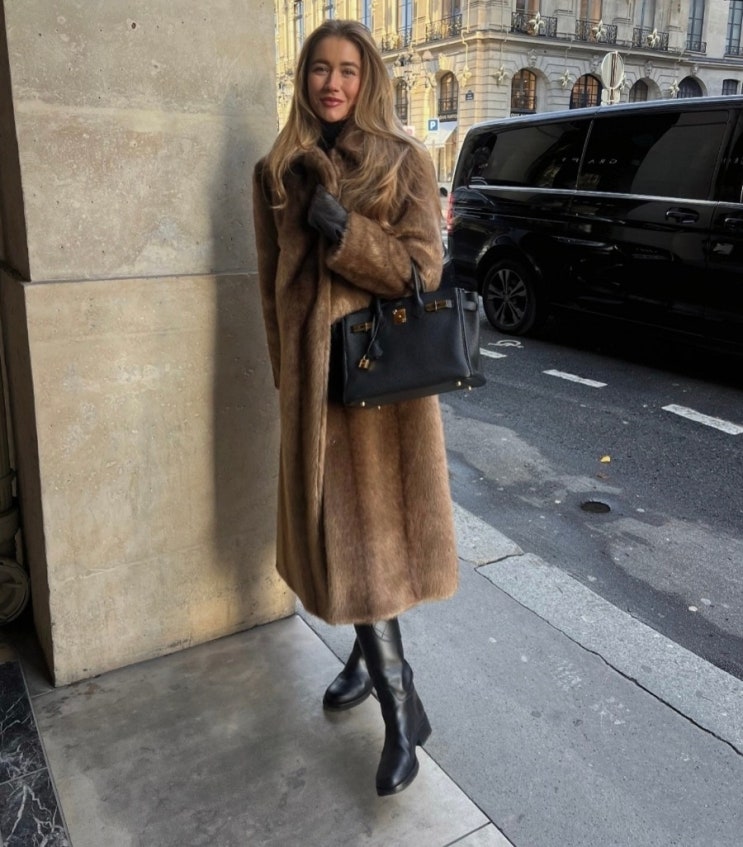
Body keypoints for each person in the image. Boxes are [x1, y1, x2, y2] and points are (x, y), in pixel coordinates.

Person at [252, 19, 458, 796]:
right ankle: (364, 664)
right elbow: (269, 291)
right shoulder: (275, 172)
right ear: (303, 79)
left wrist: (349, 235)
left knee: (364, 552)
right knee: (343, 549)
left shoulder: (402, 159)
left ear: (366, 78)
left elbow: (422, 272)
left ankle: (404, 715)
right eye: (319, 69)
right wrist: (287, 381)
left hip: (377, 393)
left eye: (347, 70)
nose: (332, 83)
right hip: (314, 392)